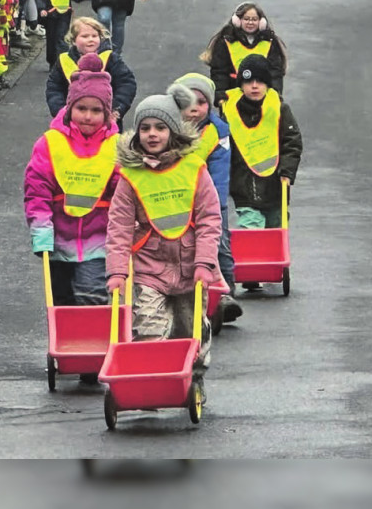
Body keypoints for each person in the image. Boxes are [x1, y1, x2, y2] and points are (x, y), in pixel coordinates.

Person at [105, 88, 221, 399]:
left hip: (191, 266)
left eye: (160, 127)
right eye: (145, 128)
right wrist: (117, 271)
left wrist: (205, 263)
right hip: (149, 267)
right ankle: (152, 384)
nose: (152, 134)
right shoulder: (131, 177)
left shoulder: (194, 169)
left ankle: (194, 378)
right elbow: (118, 227)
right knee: (149, 326)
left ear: (173, 131)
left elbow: (209, 220)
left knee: (190, 330)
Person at [25, 70, 120, 340]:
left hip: (99, 239)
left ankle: (92, 345)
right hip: (59, 238)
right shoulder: (50, 143)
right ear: (69, 108)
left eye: (96, 110)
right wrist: (41, 229)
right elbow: (37, 189)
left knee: (92, 294)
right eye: (81, 109)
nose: (88, 116)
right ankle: (68, 346)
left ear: (107, 114)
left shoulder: (116, 146)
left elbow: (123, 193)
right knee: (62, 301)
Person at [221, 55, 302, 292]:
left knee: (275, 228)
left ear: (267, 84)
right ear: (241, 85)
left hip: (275, 185)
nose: (254, 86)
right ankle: (252, 270)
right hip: (244, 185)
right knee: (251, 226)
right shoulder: (230, 112)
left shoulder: (279, 109)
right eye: (248, 82)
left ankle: (272, 264)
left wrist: (287, 171)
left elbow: (292, 142)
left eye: (259, 81)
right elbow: (223, 147)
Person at [170, 72, 242, 323]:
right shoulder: (167, 128)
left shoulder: (217, 132)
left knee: (219, 243)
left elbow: (220, 172)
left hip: (209, 199)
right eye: (188, 103)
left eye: (201, 103)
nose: (194, 109)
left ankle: (225, 292)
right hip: (176, 199)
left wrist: (216, 205)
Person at [45, 16, 137, 123]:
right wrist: (60, 111)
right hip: (72, 120)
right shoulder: (64, 61)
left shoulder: (110, 58)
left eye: (94, 36)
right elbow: (54, 88)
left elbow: (126, 83)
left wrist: (116, 108)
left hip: (107, 120)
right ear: (73, 40)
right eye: (85, 36)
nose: (90, 39)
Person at [202, 1, 289, 104]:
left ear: (261, 22)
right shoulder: (226, 42)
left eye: (254, 19)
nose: (250, 23)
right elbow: (220, 72)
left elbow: (275, 73)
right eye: (246, 19)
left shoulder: (270, 42)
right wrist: (220, 96)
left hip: (263, 99)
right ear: (237, 20)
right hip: (233, 99)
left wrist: (276, 95)